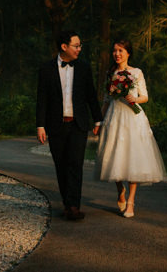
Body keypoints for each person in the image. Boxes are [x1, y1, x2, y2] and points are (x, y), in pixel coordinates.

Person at [93, 39, 166, 218]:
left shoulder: (137, 72)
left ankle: (131, 202)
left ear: (128, 53)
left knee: (133, 158)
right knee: (114, 155)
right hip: (114, 117)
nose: (117, 54)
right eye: (115, 51)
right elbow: (106, 100)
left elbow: (145, 97)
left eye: (120, 51)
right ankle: (120, 190)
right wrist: (98, 122)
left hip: (133, 118)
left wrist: (134, 99)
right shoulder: (110, 73)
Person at [36, 30, 103, 221]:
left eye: (80, 45)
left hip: (78, 124)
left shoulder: (83, 67)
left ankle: (73, 206)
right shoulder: (46, 69)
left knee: (75, 164)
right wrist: (40, 126)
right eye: (76, 45)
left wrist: (98, 120)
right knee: (61, 165)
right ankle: (67, 203)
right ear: (64, 47)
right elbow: (42, 99)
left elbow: (91, 95)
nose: (79, 49)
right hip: (56, 125)